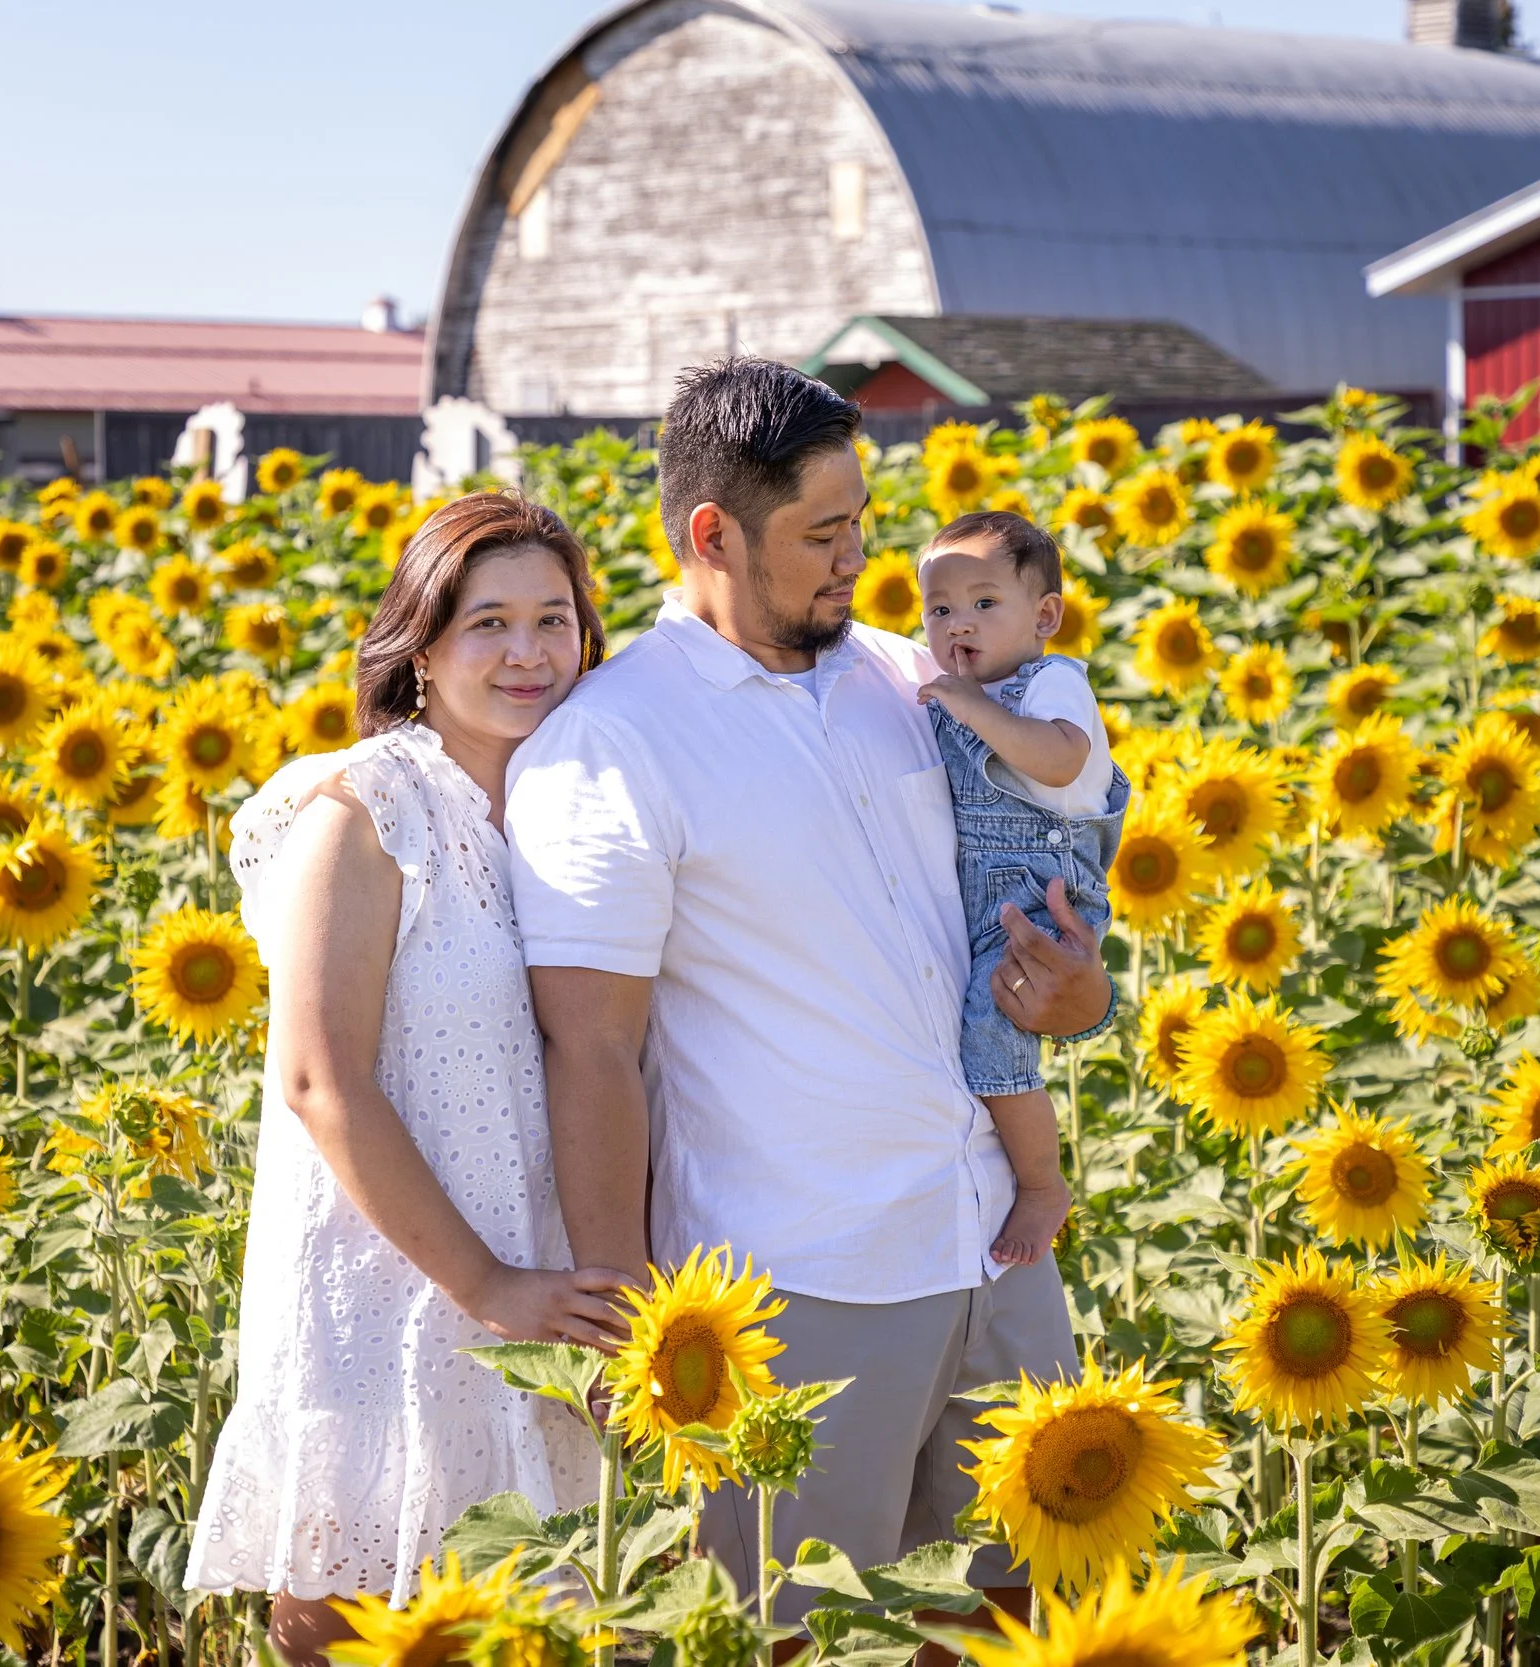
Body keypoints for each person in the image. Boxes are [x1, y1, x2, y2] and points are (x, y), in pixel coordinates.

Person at [503, 358, 1117, 1654]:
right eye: (821, 535)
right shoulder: (613, 741)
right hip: (804, 1283)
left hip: (994, 1242)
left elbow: (1009, 920)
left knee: (1022, 1617)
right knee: (804, 1633)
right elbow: (593, 1046)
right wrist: (626, 1318)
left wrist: (1074, 992)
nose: (858, 560)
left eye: (861, 525)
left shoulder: (915, 681)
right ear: (713, 535)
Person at [185, 494, 630, 1667]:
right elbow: (319, 1076)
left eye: (555, 618)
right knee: (351, 1626)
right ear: (420, 646)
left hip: (536, 1277)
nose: (530, 652)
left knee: (527, 1626)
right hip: (387, 1288)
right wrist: (488, 1282)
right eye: (489, 621)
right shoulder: (366, 808)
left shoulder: (574, 808)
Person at [914, 512, 1127, 1269]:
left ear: (1045, 616)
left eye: (982, 603)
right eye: (939, 609)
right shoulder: (953, 688)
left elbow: (1064, 761)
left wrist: (973, 707)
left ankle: (1041, 1183)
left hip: (1042, 884)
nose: (957, 624)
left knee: (990, 1030)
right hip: (990, 892)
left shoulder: (1051, 682)